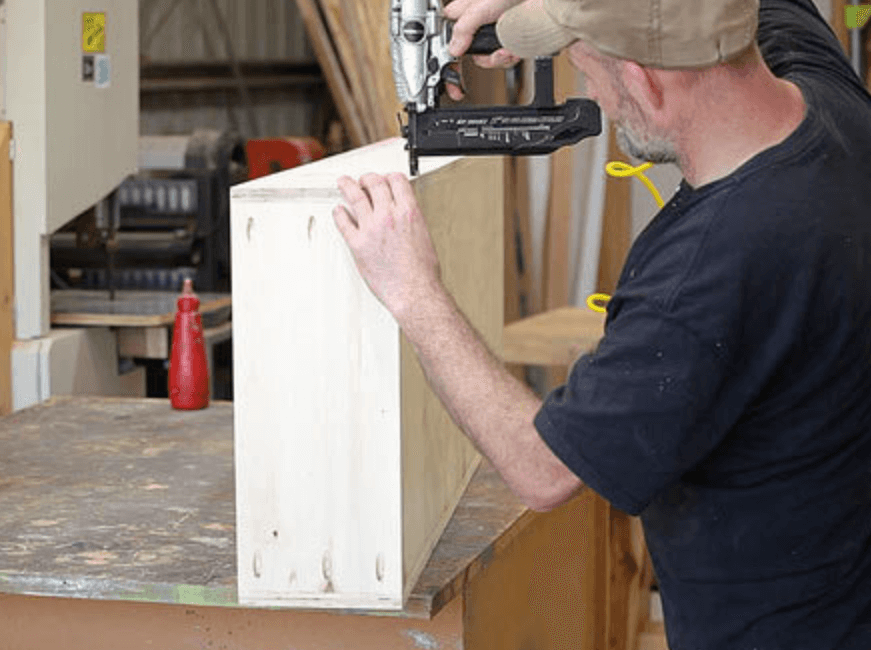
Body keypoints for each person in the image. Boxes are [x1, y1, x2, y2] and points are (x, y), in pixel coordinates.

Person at [332, 0, 871, 647]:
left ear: (642, 79)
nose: (588, 93)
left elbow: (543, 469)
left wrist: (413, 290)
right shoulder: (825, 96)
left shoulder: (707, 278)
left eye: (587, 69)